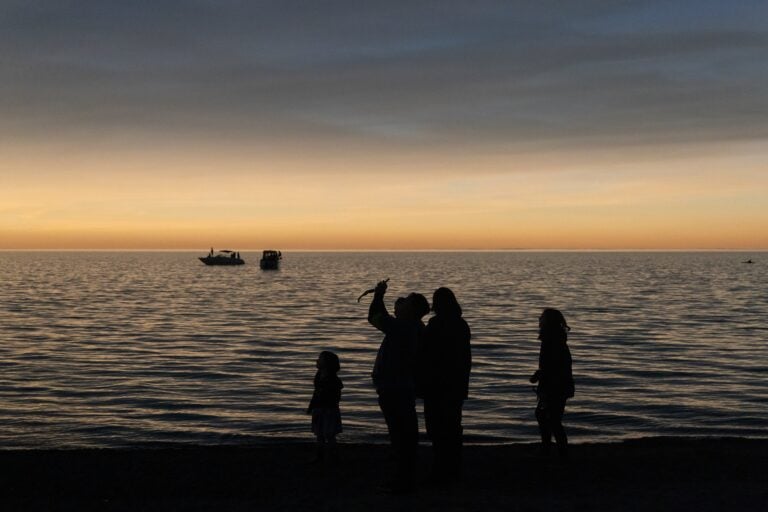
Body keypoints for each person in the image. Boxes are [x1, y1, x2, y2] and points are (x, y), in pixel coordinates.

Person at [368, 280, 430, 493]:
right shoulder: (415, 327)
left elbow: (375, 318)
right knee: (406, 433)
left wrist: (378, 296)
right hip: (404, 387)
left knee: (400, 434)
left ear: (412, 310)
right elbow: (382, 319)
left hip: (394, 388)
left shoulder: (403, 327)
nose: (401, 304)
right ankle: (407, 475)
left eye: (405, 303)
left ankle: (402, 480)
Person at [418, 287, 471, 483]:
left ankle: (440, 467)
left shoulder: (435, 324)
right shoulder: (461, 325)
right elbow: (465, 359)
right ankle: (453, 467)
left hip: (436, 385)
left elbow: (425, 355)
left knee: (437, 427)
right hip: (456, 385)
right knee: (453, 426)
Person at [530, 308, 574, 459]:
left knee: (550, 419)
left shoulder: (551, 340)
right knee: (548, 417)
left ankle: (554, 451)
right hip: (557, 384)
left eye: (541, 317)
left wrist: (539, 375)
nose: (539, 319)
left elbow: (551, 366)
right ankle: (551, 449)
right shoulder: (555, 338)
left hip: (554, 385)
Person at [307, 351, 343, 463]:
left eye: (320, 359)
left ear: (327, 364)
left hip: (329, 410)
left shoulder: (333, 380)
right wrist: (311, 406)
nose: (317, 360)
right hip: (319, 409)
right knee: (319, 434)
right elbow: (316, 393)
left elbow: (336, 396)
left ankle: (332, 456)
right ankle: (320, 456)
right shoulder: (319, 376)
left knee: (329, 434)